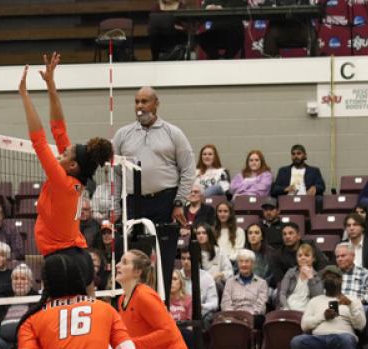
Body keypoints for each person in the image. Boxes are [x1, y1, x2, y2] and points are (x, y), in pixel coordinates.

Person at [18, 52, 112, 296]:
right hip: (78, 254)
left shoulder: (62, 182)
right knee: (89, 315)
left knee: (58, 320)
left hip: (62, 262)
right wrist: (50, 84)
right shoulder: (74, 176)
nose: (60, 154)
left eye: (64, 154)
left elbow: (39, 141)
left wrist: (25, 96)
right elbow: (58, 128)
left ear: (72, 165)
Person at [113, 86, 196, 300]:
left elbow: (188, 169)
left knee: (165, 259)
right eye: (137, 102)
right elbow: (115, 173)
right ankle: (132, 302)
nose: (140, 107)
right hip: (133, 203)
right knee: (132, 259)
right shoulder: (123, 135)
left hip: (165, 202)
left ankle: (163, 304)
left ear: (156, 103)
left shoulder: (173, 133)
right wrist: (116, 206)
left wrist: (179, 202)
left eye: (145, 101)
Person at [291, 265, 366, 349]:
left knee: (348, 339)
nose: (330, 279)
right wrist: (323, 316)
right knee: (297, 341)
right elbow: (304, 325)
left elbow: (361, 325)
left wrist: (351, 305)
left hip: (342, 338)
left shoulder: (352, 300)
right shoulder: (314, 301)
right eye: (326, 276)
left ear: (341, 280)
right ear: (322, 281)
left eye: (334, 276)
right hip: (318, 340)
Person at [220, 249, 268, 328]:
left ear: (253, 264)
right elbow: (225, 304)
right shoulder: (230, 282)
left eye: (247, 261)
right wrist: (235, 317)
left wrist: (246, 317)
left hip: (253, 318)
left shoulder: (262, 283)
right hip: (233, 318)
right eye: (241, 261)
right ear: (238, 264)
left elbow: (260, 307)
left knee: (260, 319)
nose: (243, 264)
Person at [270, 144, 325, 211]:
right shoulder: (283, 171)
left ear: (305, 155)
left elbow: (321, 186)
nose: (296, 156)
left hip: (306, 200)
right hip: (288, 200)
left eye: (299, 154)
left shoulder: (314, 171)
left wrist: (315, 188)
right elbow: (274, 189)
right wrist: (285, 189)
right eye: (293, 154)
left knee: (319, 199)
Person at [179, 246, 219, 328]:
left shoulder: (207, 277)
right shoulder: (176, 276)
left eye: (189, 259)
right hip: (180, 314)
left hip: (200, 314)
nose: (186, 262)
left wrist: (202, 306)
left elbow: (214, 303)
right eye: (183, 258)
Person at [278, 243, 323, 311]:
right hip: (287, 308)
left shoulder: (317, 276)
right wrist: (286, 307)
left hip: (305, 311)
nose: (303, 258)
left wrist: (310, 277)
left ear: (313, 258)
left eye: (306, 255)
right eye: (300, 255)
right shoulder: (291, 272)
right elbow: (282, 293)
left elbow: (317, 298)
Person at [195, 222, 233, 291]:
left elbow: (230, 272)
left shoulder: (219, 251)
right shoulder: (192, 253)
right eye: (198, 233)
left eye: (204, 233)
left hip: (216, 285)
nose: (201, 236)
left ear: (209, 235)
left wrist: (219, 274)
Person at [244, 223, 275, 288]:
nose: (253, 235)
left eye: (256, 233)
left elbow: (271, 277)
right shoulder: (243, 253)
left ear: (262, 237)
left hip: (264, 287)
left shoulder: (271, 254)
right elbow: (237, 273)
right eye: (250, 233)